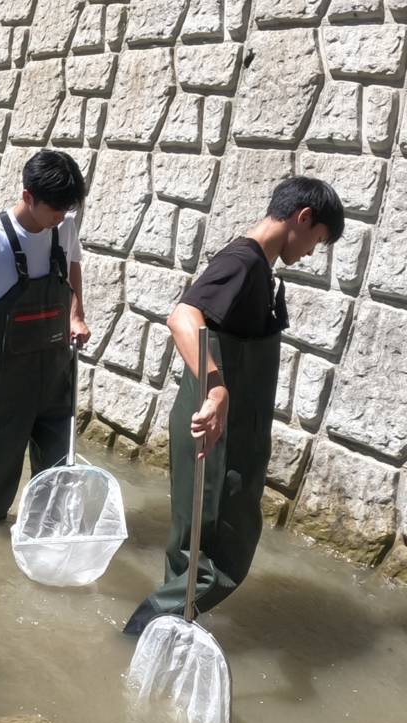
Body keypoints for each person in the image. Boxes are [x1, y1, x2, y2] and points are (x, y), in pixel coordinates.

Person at [123, 177, 344, 634]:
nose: (310, 253)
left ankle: (165, 638)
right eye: (317, 240)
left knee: (193, 552)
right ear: (303, 218)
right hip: (219, 436)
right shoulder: (243, 262)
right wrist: (217, 388)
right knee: (223, 555)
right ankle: (139, 633)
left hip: (224, 432)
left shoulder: (256, 266)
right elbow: (182, 316)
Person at [0, 149, 90, 524]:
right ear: (28, 196)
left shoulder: (64, 227)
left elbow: (73, 266)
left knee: (57, 470)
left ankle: (45, 531)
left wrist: (77, 315)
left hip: (56, 373)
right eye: (55, 209)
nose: (61, 218)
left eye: (66, 209)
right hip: (7, 380)